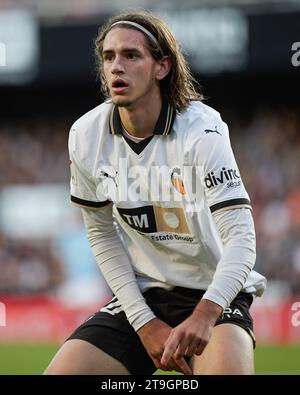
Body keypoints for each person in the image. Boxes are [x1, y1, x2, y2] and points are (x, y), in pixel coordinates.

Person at [44, 10, 266, 375]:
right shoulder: (86, 135)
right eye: (109, 57)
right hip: (144, 297)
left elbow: (241, 238)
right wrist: (144, 322)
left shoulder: (202, 130)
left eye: (131, 55)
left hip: (215, 293)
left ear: (161, 66)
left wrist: (206, 314)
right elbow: (100, 232)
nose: (117, 66)